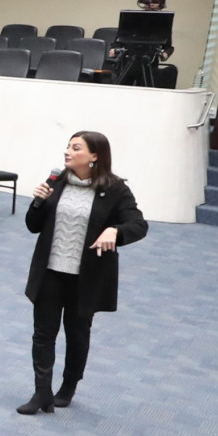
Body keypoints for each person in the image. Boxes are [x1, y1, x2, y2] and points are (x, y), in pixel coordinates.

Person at [18, 131, 147, 414]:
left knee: (76, 334)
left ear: (94, 156)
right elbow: (33, 225)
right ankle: (42, 393)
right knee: (43, 333)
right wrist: (38, 202)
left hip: (86, 277)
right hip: (51, 271)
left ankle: (68, 386)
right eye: (68, 146)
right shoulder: (57, 182)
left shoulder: (115, 190)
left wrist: (115, 231)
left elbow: (138, 225)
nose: (68, 152)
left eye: (76, 148)